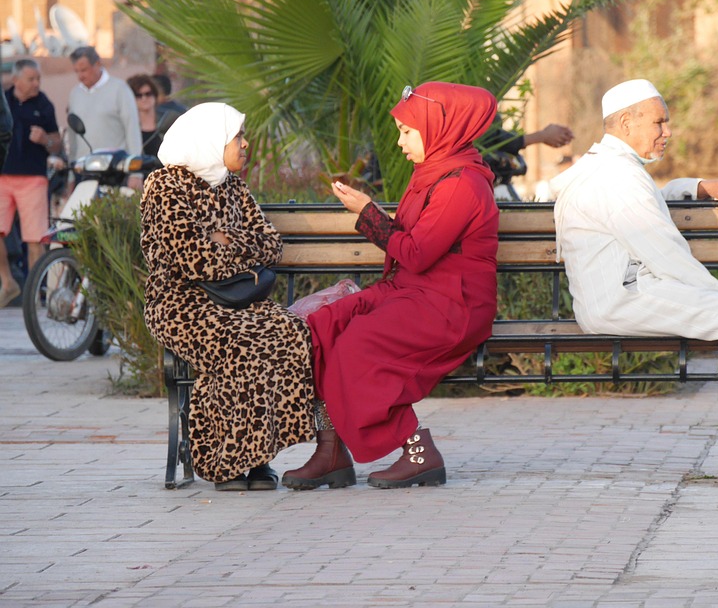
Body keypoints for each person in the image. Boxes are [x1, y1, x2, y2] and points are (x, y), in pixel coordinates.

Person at [549, 78, 718, 488]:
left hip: (617, 295)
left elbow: (651, 197)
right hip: (621, 299)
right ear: (626, 122)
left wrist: (696, 187)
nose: (667, 132)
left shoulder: (604, 166)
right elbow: (667, 255)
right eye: (659, 122)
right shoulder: (619, 178)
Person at [283, 82, 499, 491]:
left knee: (358, 344)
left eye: (407, 131)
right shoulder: (435, 172)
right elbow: (415, 249)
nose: (399, 142)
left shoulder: (461, 183)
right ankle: (331, 450)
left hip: (452, 304)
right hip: (414, 290)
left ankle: (419, 451)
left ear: (439, 129)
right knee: (324, 326)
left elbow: (416, 253)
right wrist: (371, 212)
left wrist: (366, 212)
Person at [139, 103, 316, 491]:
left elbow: (271, 244)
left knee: (289, 333)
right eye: (237, 136)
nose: (245, 143)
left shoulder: (231, 184)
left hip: (237, 300)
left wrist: (226, 241)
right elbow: (193, 261)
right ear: (210, 140)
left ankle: (256, 456)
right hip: (181, 304)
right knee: (240, 343)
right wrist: (233, 252)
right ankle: (223, 461)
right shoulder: (165, 186)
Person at [1, 59, 62, 309]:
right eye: (31, 78)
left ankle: (36, 296)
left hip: (33, 178)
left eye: (38, 78)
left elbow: (57, 143)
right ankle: (7, 282)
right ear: (16, 80)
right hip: (3, 177)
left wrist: (45, 139)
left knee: (35, 238)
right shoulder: (4, 100)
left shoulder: (44, 103)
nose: (37, 83)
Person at [66, 46, 142, 189]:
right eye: (76, 71)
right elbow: (73, 138)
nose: (80, 76)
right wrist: (71, 175)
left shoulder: (120, 89)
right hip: (84, 172)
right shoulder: (74, 94)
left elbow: (132, 130)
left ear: (98, 64)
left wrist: (135, 173)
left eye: (84, 70)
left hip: (115, 172)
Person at [127, 74, 163, 157]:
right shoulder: (128, 125)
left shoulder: (167, 119)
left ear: (155, 94)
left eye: (148, 94)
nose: (144, 98)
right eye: (138, 95)